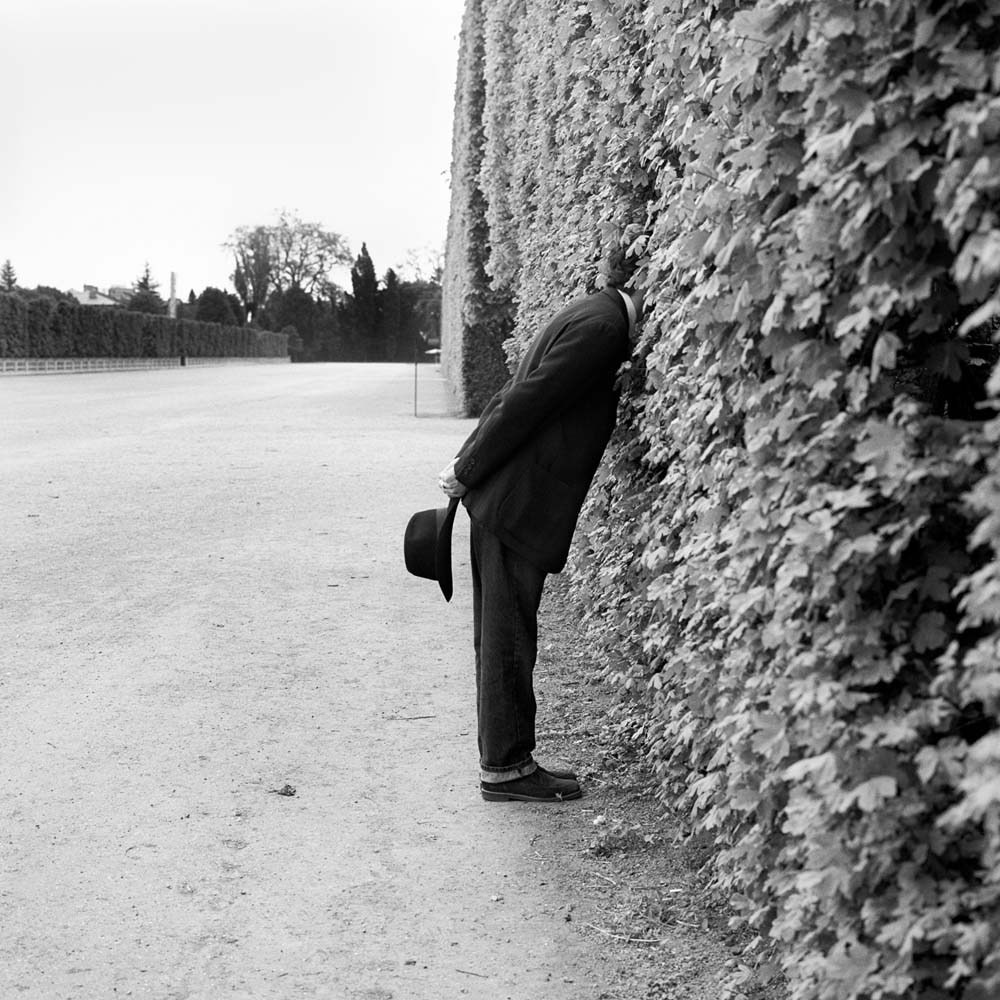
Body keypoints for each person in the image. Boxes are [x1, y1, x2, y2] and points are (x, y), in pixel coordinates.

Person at [438, 250, 644, 802]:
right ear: (643, 278)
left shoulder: (590, 313)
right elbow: (527, 401)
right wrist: (467, 467)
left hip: (510, 496)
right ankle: (505, 770)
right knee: (507, 637)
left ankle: (508, 763)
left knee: (504, 633)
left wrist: (468, 462)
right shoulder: (603, 328)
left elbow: (517, 392)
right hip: (518, 501)